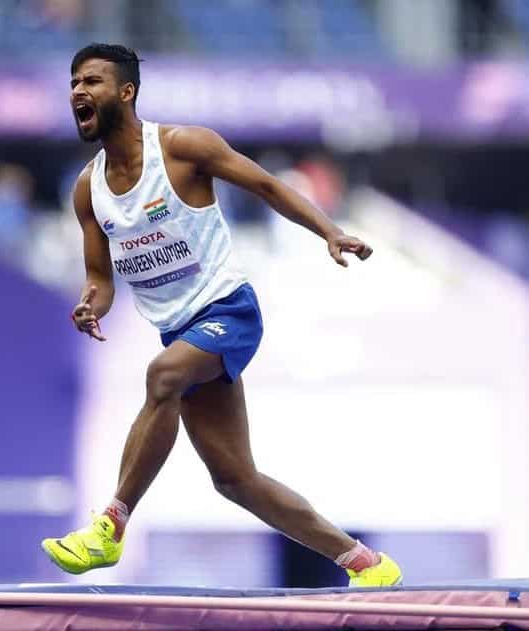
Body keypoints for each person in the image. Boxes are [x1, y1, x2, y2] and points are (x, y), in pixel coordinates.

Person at [40, 44, 403, 587]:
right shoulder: (87, 189)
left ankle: (109, 528)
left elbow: (268, 186)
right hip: (179, 331)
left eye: (91, 81)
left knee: (162, 374)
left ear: (126, 91)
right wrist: (92, 302)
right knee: (235, 479)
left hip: (228, 310)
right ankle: (367, 564)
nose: (77, 92)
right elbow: (101, 277)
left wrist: (330, 232)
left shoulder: (184, 147)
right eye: (73, 83)